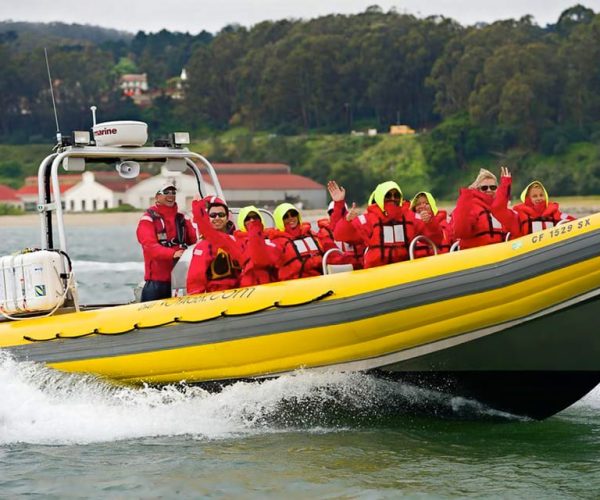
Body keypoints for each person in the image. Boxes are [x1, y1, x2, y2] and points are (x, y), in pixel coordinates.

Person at [334, 180, 443, 268]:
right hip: (377, 272)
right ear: (380, 197)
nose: (392, 199)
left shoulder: (411, 217)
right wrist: (347, 220)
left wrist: (430, 222)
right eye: (388, 195)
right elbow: (340, 235)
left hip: (405, 269)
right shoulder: (367, 220)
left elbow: (436, 239)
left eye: (396, 195)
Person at [136, 183, 197, 302]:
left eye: (173, 193)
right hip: (157, 282)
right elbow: (149, 246)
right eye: (167, 193)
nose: (171, 195)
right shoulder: (148, 219)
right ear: (157, 197)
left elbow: (195, 240)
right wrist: (172, 254)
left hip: (180, 281)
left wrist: (198, 216)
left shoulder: (182, 219)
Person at [451, 167, 519, 250]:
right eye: (484, 188)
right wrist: (465, 198)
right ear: (478, 189)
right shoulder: (471, 207)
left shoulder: (502, 209)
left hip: (501, 253)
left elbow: (515, 231)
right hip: (477, 255)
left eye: (493, 187)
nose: (489, 190)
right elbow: (461, 231)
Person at [186, 196, 242, 294]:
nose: (217, 218)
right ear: (208, 218)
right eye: (213, 215)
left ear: (227, 218)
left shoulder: (236, 241)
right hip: (217, 296)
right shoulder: (203, 246)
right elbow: (195, 279)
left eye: (221, 215)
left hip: (241, 293)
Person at [270, 203, 326, 281]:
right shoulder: (276, 242)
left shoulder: (311, 234)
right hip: (294, 284)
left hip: (319, 278)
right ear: (280, 220)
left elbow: (327, 254)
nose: (291, 218)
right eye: (286, 217)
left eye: (293, 214)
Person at [316, 181, 365, 269]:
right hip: (339, 271)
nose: (334, 214)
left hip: (359, 268)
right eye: (331, 212)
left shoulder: (356, 227)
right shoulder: (324, 233)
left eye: (340, 211)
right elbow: (333, 258)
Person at [235, 206, 279, 287]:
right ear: (242, 222)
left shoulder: (271, 237)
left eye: (255, 217)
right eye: (247, 218)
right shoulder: (236, 242)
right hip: (251, 287)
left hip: (273, 283)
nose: (252, 220)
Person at [410, 191, 454, 256]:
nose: (422, 206)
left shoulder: (446, 224)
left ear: (432, 206)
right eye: (418, 204)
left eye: (426, 203)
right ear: (414, 208)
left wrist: (429, 222)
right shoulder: (410, 227)